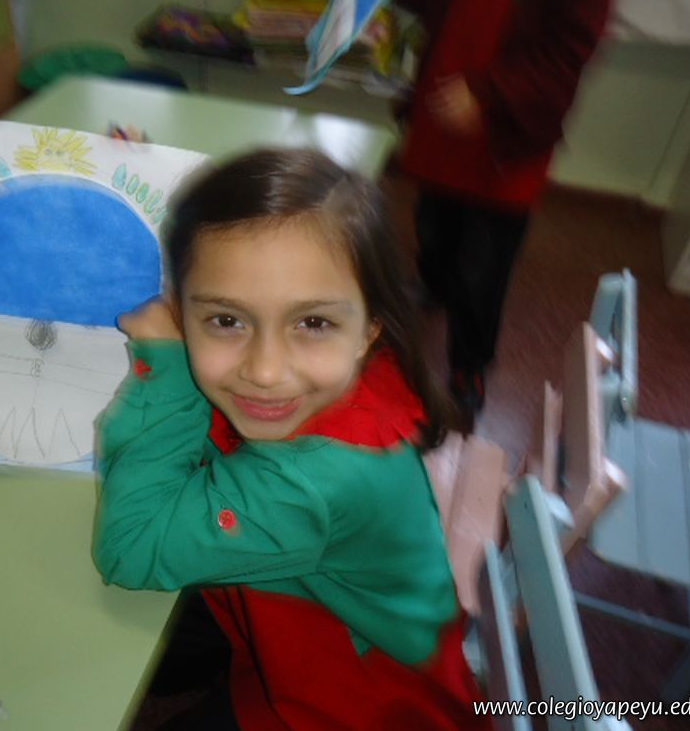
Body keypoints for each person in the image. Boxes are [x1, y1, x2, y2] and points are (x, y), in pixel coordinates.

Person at [93, 148, 492, 730]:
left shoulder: (316, 481)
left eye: (313, 323)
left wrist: (167, 364)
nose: (265, 371)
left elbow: (130, 548)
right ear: (184, 311)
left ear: (369, 328)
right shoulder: (348, 370)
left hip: (354, 709)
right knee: (141, 642)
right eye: (227, 320)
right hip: (314, 618)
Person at [394, 0, 619, 425]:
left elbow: (569, 51)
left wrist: (488, 92)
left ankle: (469, 365)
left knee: (482, 269)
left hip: (505, 135)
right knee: (434, 224)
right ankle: (433, 286)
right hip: (445, 115)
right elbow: (441, 4)